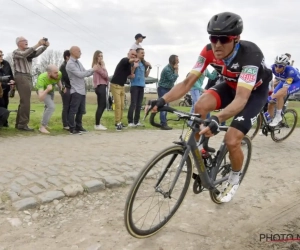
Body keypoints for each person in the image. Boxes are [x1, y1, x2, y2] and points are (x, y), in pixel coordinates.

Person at [151, 12, 272, 203]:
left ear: (236, 39)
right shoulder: (207, 51)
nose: (217, 44)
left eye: (223, 39)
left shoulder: (251, 55)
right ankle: (202, 149)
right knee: (200, 104)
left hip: (252, 94)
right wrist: (162, 100)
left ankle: (234, 178)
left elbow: (241, 99)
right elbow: (187, 83)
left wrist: (218, 119)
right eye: (213, 38)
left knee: (232, 140)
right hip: (230, 86)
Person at [13, 36, 49, 131]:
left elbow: (35, 53)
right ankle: (23, 124)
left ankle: (19, 124)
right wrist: (38, 44)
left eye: (27, 40)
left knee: (24, 101)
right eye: (24, 40)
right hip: (21, 75)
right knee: (26, 102)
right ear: (18, 43)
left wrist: (44, 47)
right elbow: (25, 54)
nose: (26, 42)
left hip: (27, 76)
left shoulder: (27, 52)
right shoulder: (16, 52)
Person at [66, 46, 97, 135]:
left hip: (82, 90)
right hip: (75, 90)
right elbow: (80, 74)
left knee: (81, 110)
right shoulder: (70, 64)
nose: (80, 53)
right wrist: (93, 69)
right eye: (79, 51)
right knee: (73, 110)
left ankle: (79, 126)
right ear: (73, 52)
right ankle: (72, 128)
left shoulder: (78, 62)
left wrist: (93, 70)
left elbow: (85, 72)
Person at [267, 54, 300, 127]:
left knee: (280, 94)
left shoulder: (290, 71)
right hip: (283, 81)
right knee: (270, 103)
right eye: (276, 65)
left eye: (280, 66)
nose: (277, 68)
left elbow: (284, 90)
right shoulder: (272, 67)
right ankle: (268, 123)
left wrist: (271, 97)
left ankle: (278, 116)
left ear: (285, 66)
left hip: (296, 83)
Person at [110, 50, 139, 131]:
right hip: (115, 85)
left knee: (122, 105)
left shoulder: (130, 65)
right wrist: (134, 60)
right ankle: (117, 123)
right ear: (128, 54)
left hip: (122, 86)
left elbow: (130, 75)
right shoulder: (124, 60)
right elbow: (129, 60)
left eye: (135, 55)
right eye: (132, 54)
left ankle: (120, 121)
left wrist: (134, 67)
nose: (133, 56)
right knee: (118, 104)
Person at [127, 48, 151, 127]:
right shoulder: (134, 62)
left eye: (144, 53)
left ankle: (136, 121)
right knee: (133, 103)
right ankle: (130, 121)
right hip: (134, 85)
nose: (143, 54)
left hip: (141, 85)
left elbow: (146, 75)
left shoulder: (143, 64)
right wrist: (134, 66)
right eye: (141, 53)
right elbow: (130, 74)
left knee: (139, 104)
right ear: (137, 54)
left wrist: (149, 68)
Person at [35, 65, 62, 134]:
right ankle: (42, 127)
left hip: (51, 91)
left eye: (57, 72)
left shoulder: (58, 74)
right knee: (51, 107)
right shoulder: (41, 78)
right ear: (49, 73)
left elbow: (58, 80)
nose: (57, 74)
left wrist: (61, 87)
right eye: (55, 73)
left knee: (47, 107)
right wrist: (47, 90)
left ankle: (44, 124)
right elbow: (40, 98)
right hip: (43, 91)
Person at [157, 55, 179, 130]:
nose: (178, 62)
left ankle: (163, 122)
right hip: (163, 89)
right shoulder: (167, 69)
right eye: (177, 60)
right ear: (173, 61)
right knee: (164, 106)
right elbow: (172, 79)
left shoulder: (171, 68)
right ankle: (163, 124)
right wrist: (176, 71)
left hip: (167, 89)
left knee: (166, 106)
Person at [92, 50, 109, 131]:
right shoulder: (97, 66)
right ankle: (97, 124)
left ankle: (97, 123)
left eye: (102, 56)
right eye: (99, 56)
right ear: (96, 57)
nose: (101, 58)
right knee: (102, 105)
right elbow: (105, 75)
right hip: (100, 86)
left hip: (101, 86)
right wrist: (104, 67)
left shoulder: (98, 66)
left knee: (101, 105)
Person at [0, 50, 15, 127]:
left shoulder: (6, 64)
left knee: (5, 104)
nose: (1, 57)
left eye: (2, 55)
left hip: (5, 89)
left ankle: (4, 122)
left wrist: (12, 81)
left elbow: (10, 75)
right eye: (0, 56)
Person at [59, 50, 71, 131]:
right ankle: (65, 124)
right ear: (67, 56)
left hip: (69, 87)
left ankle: (69, 123)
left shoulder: (68, 65)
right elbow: (64, 78)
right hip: (65, 88)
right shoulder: (64, 66)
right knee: (66, 106)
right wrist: (63, 89)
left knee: (69, 106)